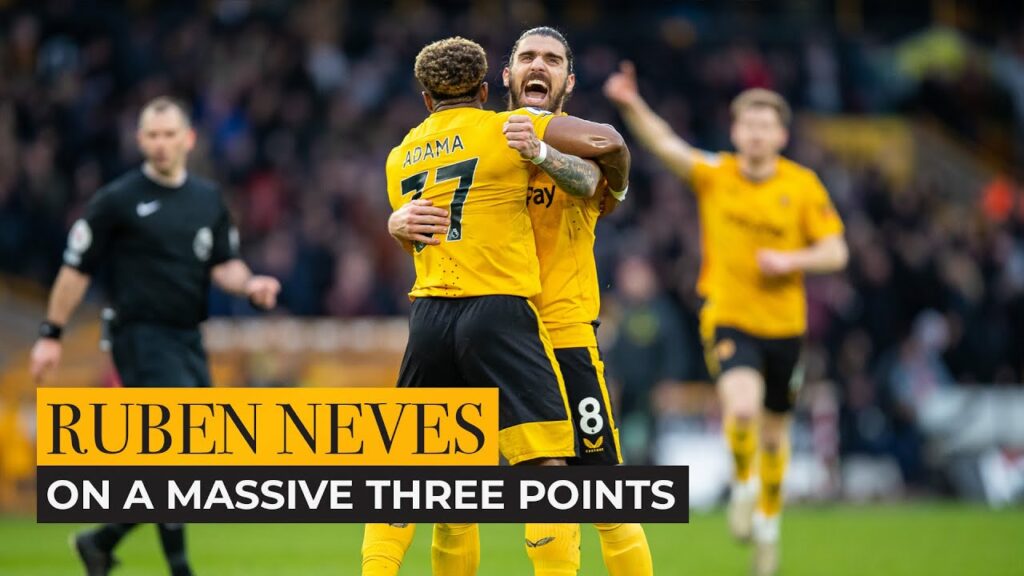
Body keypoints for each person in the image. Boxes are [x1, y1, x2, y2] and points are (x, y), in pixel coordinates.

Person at [388, 27, 652, 576]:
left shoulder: (569, 151)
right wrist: (395, 222)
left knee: (605, 497)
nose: (540, 65)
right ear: (502, 78)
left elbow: (604, 174)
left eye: (552, 59)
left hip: (560, 334)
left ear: (568, 81)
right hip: (485, 328)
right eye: (527, 56)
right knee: (452, 502)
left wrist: (545, 152)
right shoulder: (478, 141)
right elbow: (429, 203)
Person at [605, 63, 848, 576]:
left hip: (786, 327)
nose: (756, 134)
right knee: (742, 411)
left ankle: (768, 528)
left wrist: (792, 261)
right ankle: (742, 486)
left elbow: (836, 251)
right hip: (730, 316)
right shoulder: (718, 175)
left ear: (780, 135)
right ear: (736, 132)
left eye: (766, 126)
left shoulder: (802, 187)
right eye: (748, 125)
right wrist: (631, 103)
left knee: (777, 434)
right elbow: (667, 145)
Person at [28, 96, 281, 576]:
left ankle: (101, 540)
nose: (161, 144)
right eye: (152, 135)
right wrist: (50, 334)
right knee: (178, 443)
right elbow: (74, 270)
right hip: (139, 336)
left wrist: (251, 284)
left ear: (188, 139)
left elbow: (224, 263)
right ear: (140, 140)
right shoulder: (117, 201)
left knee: (196, 454)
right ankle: (178, 568)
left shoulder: (207, 200)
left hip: (186, 336)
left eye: (170, 134)